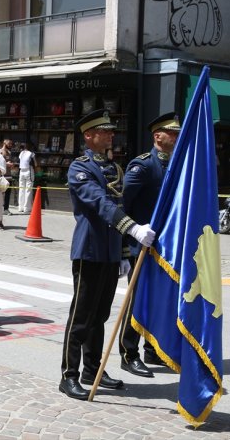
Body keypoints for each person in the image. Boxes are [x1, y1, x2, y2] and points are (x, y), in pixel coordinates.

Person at [59, 109, 156, 401]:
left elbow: (119, 205)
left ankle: (92, 369)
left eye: (111, 130)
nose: (111, 134)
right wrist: (134, 229)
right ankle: (69, 375)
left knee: (100, 315)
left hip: (111, 251)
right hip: (89, 250)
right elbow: (100, 203)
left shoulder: (115, 168)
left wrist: (124, 250)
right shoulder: (80, 168)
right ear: (89, 135)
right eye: (104, 130)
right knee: (81, 316)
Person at [120, 112, 181, 377]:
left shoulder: (176, 164)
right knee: (137, 300)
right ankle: (128, 352)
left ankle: (152, 348)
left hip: (165, 247)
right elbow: (124, 206)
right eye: (173, 133)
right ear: (158, 136)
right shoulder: (143, 165)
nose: (177, 136)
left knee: (158, 300)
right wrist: (126, 244)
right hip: (141, 244)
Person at [17, 142, 36, 214]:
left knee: (21, 188)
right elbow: (36, 163)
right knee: (28, 189)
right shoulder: (31, 153)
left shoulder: (21, 153)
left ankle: (20, 207)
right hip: (29, 170)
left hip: (21, 171)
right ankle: (27, 208)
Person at [0, 139, 14, 215]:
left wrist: (11, 165)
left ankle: (6, 209)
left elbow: (9, 162)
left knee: (8, 193)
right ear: (4, 143)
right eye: (9, 143)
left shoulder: (9, 152)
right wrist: (6, 164)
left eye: (11, 143)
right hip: (2, 176)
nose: (10, 145)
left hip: (9, 175)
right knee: (0, 193)